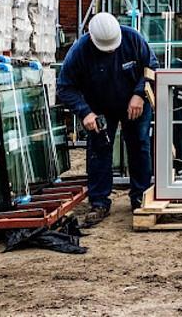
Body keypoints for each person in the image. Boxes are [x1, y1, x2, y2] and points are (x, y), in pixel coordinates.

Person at [57, 12, 158, 226]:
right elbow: (64, 87)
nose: (111, 51)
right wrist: (85, 112)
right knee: (99, 149)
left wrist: (140, 94)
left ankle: (140, 195)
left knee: (140, 144)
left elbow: (151, 67)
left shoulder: (132, 39)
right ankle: (99, 201)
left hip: (134, 102)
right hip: (99, 106)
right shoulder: (80, 51)